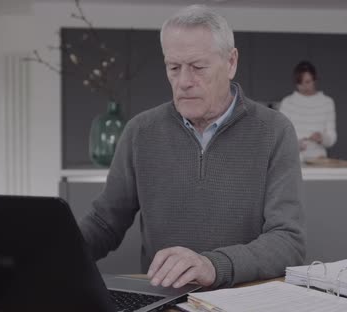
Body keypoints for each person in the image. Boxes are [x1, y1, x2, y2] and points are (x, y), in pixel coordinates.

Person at [78, 5, 305, 290]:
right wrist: (49, 253)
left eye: (198, 67)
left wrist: (213, 265)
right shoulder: (140, 132)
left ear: (231, 62)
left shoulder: (274, 131)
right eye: (174, 68)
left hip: (245, 299)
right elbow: (104, 224)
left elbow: (288, 241)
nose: (184, 81)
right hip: (163, 298)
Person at [279, 61, 337, 161]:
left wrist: (322, 138)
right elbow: (280, 136)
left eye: (307, 82)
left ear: (315, 80)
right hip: (293, 161)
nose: (304, 86)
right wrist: (295, 145)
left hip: (319, 161)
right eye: (300, 83)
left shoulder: (327, 102)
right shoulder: (287, 103)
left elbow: (332, 138)